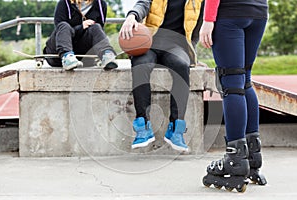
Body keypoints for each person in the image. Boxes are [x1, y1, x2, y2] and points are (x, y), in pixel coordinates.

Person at [199, 0, 268, 192]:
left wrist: (208, 19)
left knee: (232, 83)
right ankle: (253, 154)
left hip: (230, 12)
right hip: (258, 11)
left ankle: (235, 158)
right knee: (244, 80)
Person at [119, 0, 203, 152]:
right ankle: (143, 126)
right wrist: (132, 16)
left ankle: (176, 129)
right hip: (149, 42)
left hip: (176, 47)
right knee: (141, 65)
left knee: (182, 66)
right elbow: (142, 4)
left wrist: (192, 53)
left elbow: (198, 29)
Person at [44, 0, 118, 70]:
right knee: (64, 25)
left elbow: (99, 31)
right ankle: (67, 57)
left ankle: (107, 55)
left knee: (96, 27)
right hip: (58, 55)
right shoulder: (64, 3)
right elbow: (59, 31)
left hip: (83, 56)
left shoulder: (100, 4)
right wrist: (81, 27)